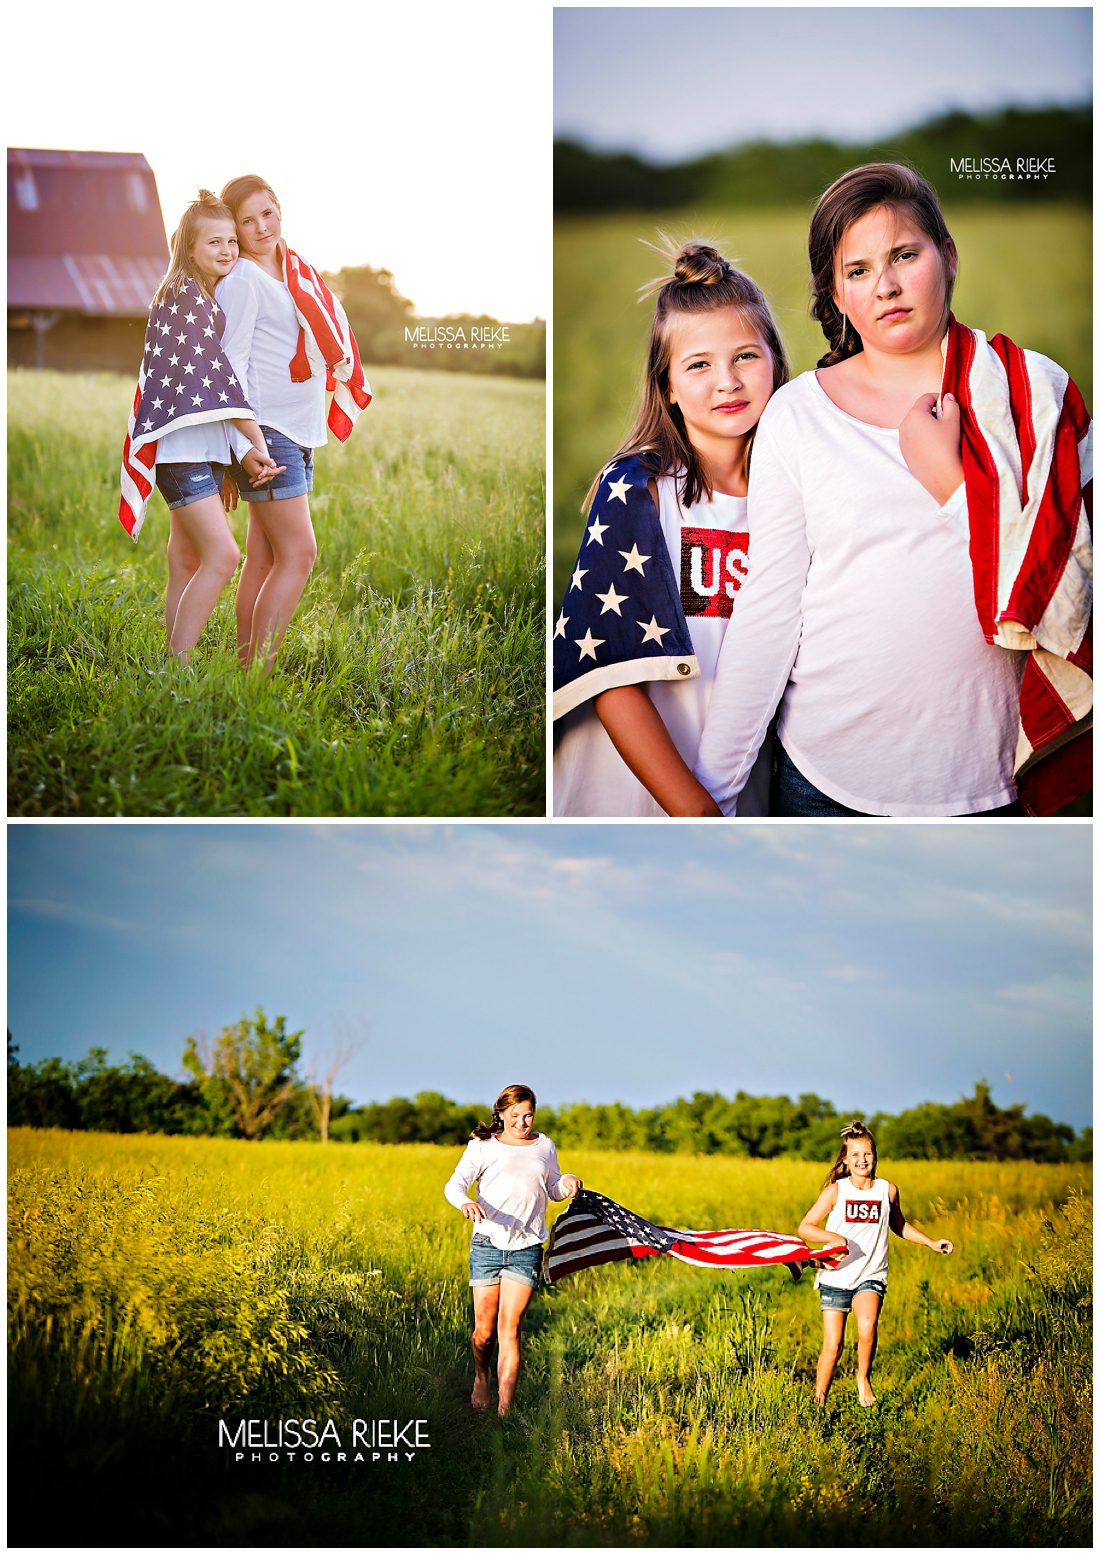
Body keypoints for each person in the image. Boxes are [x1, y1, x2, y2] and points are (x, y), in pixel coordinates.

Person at [695, 162, 1092, 817]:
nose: (885, 285)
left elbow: (1073, 595)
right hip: (825, 778)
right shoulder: (799, 415)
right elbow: (768, 610)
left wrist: (952, 485)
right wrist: (711, 794)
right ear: (837, 295)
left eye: (905, 255)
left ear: (948, 257)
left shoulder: (1030, 395)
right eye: (857, 271)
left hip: (990, 780)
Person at [552, 240, 789, 816]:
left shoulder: (794, 495)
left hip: (740, 781)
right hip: (630, 790)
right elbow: (610, 675)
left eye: (746, 357)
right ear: (668, 388)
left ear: (777, 364)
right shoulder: (638, 488)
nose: (727, 381)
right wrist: (694, 811)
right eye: (699, 365)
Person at [216, 175, 372, 672]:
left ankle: (243, 678)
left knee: (264, 559)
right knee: (301, 554)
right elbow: (230, 365)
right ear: (235, 229)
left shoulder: (294, 273)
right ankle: (257, 677)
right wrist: (244, 445)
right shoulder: (243, 280)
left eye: (267, 213)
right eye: (247, 220)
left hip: (299, 431)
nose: (262, 227)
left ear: (279, 209)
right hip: (268, 434)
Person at [118, 191, 283, 661]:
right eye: (215, 242)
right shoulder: (182, 298)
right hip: (180, 451)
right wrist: (253, 438)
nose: (229, 250)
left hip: (202, 449)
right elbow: (214, 376)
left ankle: (174, 666)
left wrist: (230, 460)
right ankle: (177, 666)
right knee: (224, 556)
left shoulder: (205, 296)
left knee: (185, 559)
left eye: (232, 240)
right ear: (188, 248)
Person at [443, 1084, 581, 1416]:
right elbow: (454, 1185)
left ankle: (504, 1410)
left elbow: (553, 1188)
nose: (522, 1122)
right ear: (502, 1114)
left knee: (510, 1326)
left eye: (528, 1115)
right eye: (515, 1115)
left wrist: (568, 1183)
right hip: (488, 1245)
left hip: (528, 1247)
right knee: (484, 1332)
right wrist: (466, 1203)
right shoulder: (483, 1146)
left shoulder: (544, 1146)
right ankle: (481, 1376)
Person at [798, 1120, 953, 1408]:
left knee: (867, 1326)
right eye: (855, 1155)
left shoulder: (887, 1191)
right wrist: (832, 1237)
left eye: (867, 1154)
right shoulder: (836, 1191)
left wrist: (931, 1242)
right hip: (836, 1276)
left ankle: (863, 1377)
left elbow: (900, 1225)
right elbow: (805, 1227)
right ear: (845, 1159)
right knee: (833, 1346)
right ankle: (818, 1402)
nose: (862, 1160)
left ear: (875, 1155)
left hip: (871, 1273)